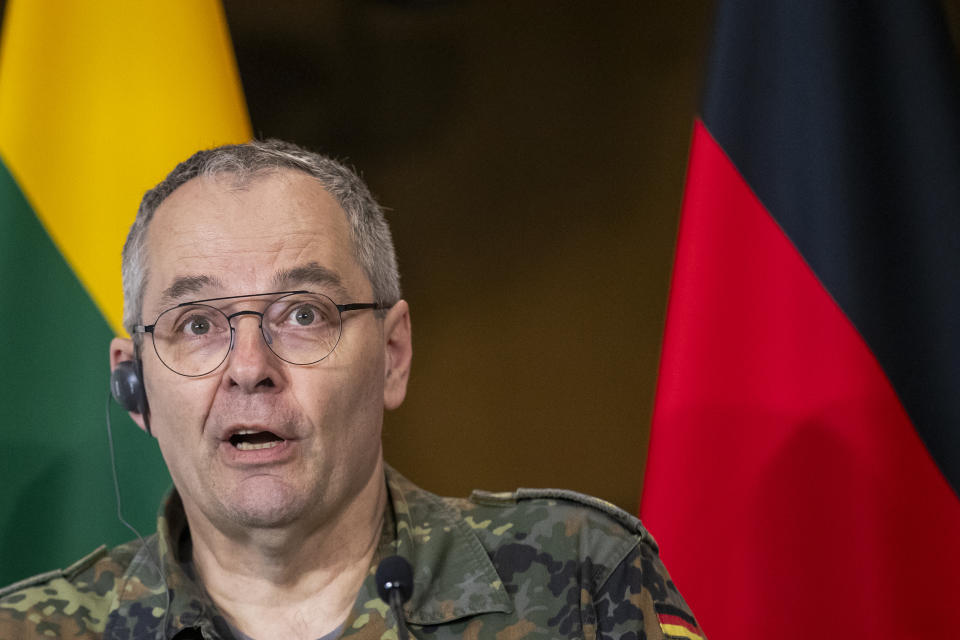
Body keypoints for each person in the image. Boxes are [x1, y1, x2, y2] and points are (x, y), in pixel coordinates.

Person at [0, 140, 705, 640]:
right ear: (134, 387)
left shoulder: (581, 584)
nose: (250, 366)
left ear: (393, 355)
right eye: (198, 324)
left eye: (303, 314)